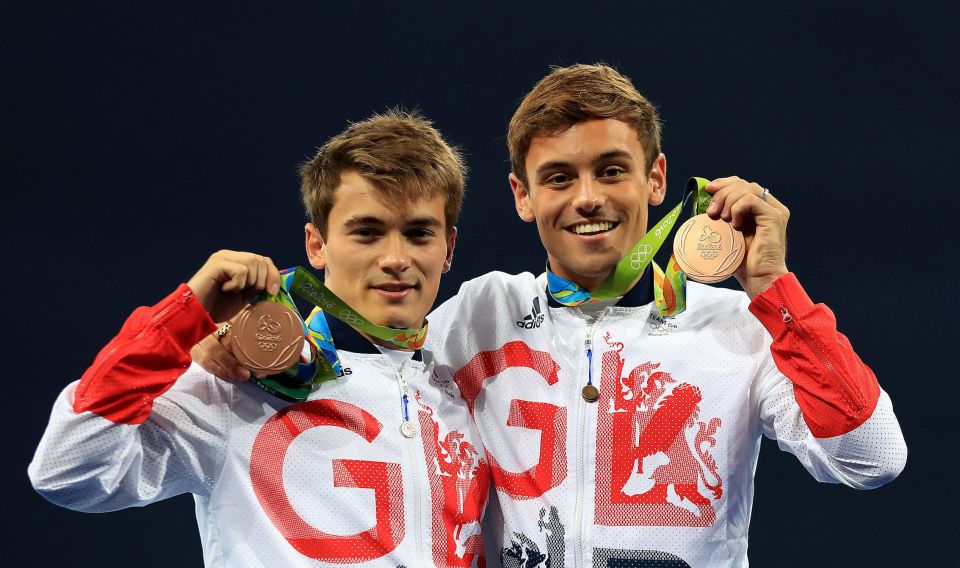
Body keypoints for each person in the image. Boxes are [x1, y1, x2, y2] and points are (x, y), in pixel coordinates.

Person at [424, 64, 907, 567]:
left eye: (611, 171)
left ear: (656, 179)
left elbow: (871, 459)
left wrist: (774, 290)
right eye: (559, 178)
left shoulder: (739, 324)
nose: (588, 199)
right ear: (523, 196)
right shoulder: (481, 315)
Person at [29, 110, 491, 567]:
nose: (395, 258)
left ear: (448, 248)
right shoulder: (239, 382)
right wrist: (182, 320)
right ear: (316, 245)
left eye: (418, 234)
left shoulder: (468, 398)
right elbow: (67, 469)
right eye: (367, 233)